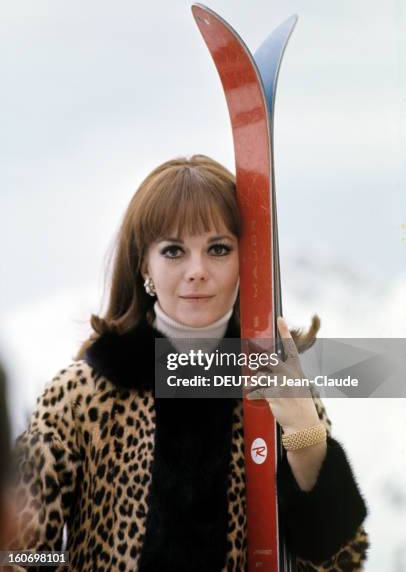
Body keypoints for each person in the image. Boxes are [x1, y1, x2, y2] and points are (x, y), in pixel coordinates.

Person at [10, 155, 369, 571]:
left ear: (245, 260)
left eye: (218, 248)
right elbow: (16, 551)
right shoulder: (79, 396)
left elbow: (342, 563)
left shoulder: (279, 391)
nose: (197, 271)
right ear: (145, 263)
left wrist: (306, 435)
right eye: (174, 251)